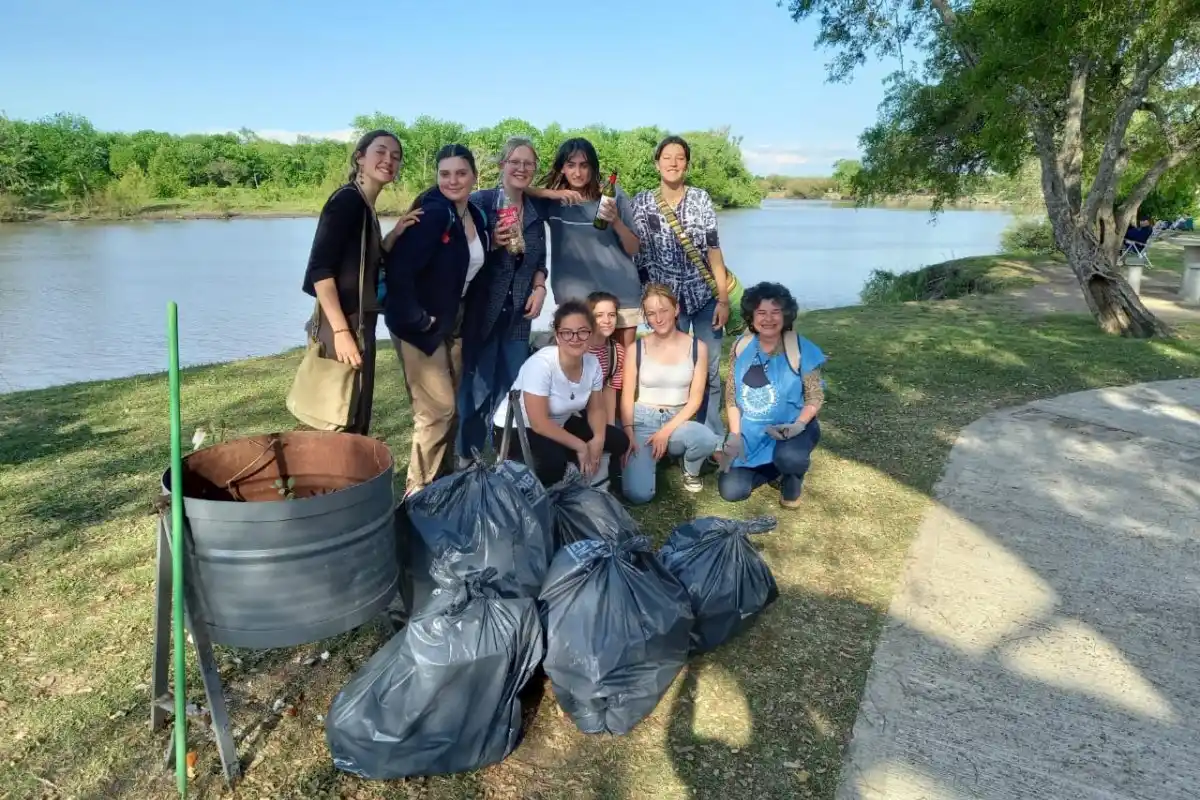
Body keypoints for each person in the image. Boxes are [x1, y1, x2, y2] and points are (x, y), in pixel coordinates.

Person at [383, 144, 489, 495]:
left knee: (452, 410)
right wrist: (420, 320)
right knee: (436, 411)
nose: (453, 180)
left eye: (461, 173)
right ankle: (416, 493)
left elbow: (465, 266)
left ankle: (441, 487)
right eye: (445, 174)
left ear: (474, 175)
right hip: (420, 325)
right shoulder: (432, 215)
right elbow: (399, 271)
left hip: (453, 324)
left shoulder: (476, 215)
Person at [300, 129, 421, 435]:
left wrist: (392, 237)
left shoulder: (365, 206)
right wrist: (341, 332)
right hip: (341, 321)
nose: (388, 160)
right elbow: (320, 270)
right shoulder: (346, 202)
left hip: (361, 321)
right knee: (335, 415)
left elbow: (359, 262)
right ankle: (329, 480)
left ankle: (348, 480)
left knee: (355, 410)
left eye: (395, 156)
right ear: (360, 158)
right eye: (380, 152)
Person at [630, 135, 731, 437]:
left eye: (680, 157)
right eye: (667, 157)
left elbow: (713, 250)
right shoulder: (641, 203)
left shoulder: (701, 199)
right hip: (666, 302)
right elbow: (635, 252)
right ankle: (675, 430)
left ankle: (708, 434)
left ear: (687, 164)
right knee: (673, 369)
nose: (673, 163)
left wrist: (723, 300)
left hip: (703, 295)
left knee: (710, 369)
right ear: (656, 162)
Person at [456, 137, 548, 463]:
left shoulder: (536, 215)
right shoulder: (480, 203)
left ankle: (504, 458)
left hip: (519, 318)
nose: (521, 168)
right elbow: (459, 254)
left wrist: (540, 289)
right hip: (483, 315)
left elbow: (540, 264)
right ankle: (466, 459)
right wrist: (490, 242)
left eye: (528, 163)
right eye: (515, 162)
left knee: (512, 389)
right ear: (501, 166)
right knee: (476, 391)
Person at [492, 300, 630, 487]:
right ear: (557, 336)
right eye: (567, 332)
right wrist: (580, 445)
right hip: (520, 428)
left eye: (582, 331)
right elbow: (539, 423)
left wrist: (598, 438)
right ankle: (535, 467)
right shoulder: (541, 364)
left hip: (559, 423)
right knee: (553, 464)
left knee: (618, 440)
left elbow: (596, 409)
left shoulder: (592, 363)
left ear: (590, 335)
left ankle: (589, 473)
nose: (575, 338)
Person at [716, 282, 826, 509]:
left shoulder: (800, 348)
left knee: (791, 458)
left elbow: (815, 396)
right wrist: (735, 435)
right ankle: (773, 471)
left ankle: (792, 478)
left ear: (785, 315)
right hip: (752, 433)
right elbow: (731, 396)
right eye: (761, 313)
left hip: (791, 429)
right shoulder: (740, 346)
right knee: (731, 491)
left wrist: (799, 425)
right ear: (751, 316)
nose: (768, 319)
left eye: (775, 312)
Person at [528, 137, 642, 351]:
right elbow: (515, 189)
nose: (578, 173)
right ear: (562, 168)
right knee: (579, 370)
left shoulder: (613, 196)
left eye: (584, 165)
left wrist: (616, 221)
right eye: (571, 165)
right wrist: (552, 192)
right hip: (574, 298)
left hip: (621, 294)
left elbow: (634, 248)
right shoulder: (554, 203)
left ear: (593, 167)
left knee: (623, 367)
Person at [621, 284, 720, 504]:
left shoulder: (698, 348)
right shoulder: (636, 348)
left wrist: (665, 432)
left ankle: (690, 468)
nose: (659, 318)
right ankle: (652, 460)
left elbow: (695, 400)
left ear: (676, 310)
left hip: (677, 420)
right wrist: (628, 433)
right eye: (651, 313)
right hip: (643, 420)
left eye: (664, 310)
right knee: (639, 495)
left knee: (707, 439)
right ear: (645, 317)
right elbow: (627, 396)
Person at [586, 291, 625, 426]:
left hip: (596, 413)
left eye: (612, 315)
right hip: (568, 414)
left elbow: (609, 391)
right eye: (599, 315)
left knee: (618, 441)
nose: (607, 321)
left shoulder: (616, 352)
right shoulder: (578, 347)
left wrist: (610, 427)